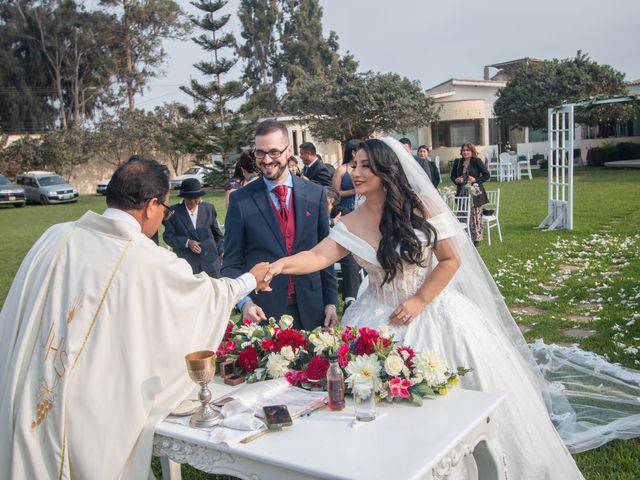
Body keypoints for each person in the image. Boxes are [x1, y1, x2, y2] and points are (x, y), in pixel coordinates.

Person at [267, 137, 640, 478]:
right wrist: (282, 265)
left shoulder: (423, 207)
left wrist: (418, 301)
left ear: (387, 169)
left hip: (435, 313)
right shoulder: (349, 221)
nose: (355, 172)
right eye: (353, 164)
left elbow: (450, 260)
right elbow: (317, 256)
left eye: (366, 165)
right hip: (376, 318)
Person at [0, 156, 271, 480]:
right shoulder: (143, 258)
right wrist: (251, 280)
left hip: (26, 396)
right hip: (85, 418)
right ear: (151, 206)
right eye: (165, 210)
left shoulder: (54, 238)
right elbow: (201, 296)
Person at [222, 120, 338, 330]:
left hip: (313, 309)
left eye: (274, 152)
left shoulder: (316, 194)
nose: (266, 160)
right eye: (260, 153)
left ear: (289, 151)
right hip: (264, 312)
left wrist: (330, 301)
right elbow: (230, 263)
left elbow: (325, 254)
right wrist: (244, 302)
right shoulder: (241, 201)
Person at [163, 178, 224, 277]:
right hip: (188, 266)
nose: (194, 202)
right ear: (184, 198)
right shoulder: (173, 212)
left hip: (212, 264)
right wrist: (187, 242)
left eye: (197, 198)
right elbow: (168, 237)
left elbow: (217, 235)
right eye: (190, 199)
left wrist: (222, 250)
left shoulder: (209, 208)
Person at [331, 139, 363, 310]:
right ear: (352, 152)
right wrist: (353, 191)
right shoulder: (342, 169)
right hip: (346, 208)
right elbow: (335, 193)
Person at [450, 142, 490, 246]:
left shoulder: (476, 161)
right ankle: (464, 236)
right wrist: (456, 180)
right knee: (462, 214)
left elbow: (487, 175)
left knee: (474, 215)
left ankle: (476, 238)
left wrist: (476, 179)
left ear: (472, 151)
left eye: (467, 150)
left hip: (474, 192)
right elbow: (452, 176)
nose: (465, 152)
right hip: (462, 192)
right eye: (463, 150)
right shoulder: (458, 162)